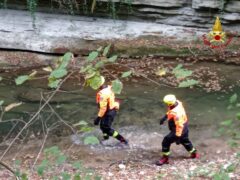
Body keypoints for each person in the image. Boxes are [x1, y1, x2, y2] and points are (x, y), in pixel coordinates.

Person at [156, 94, 199, 166]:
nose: (166, 105)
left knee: (166, 141)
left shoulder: (176, 114)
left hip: (178, 130)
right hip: (185, 127)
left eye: (166, 103)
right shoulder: (178, 103)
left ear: (169, 103)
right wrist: (165, 117)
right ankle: (194, 154)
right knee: (185, 141)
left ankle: (165, 158)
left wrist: (178, 136)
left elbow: (179, 125)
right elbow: (170, 111)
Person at [94, 76, 128, 145]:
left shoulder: (103, 94)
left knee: (106, 128)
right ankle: (106, 139)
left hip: (109, 111)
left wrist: (98, 118)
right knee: (102, 126)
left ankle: (123, 140)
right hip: (110, 109)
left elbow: (103, 108)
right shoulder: (108, 88)